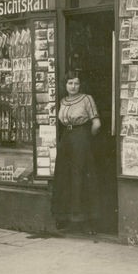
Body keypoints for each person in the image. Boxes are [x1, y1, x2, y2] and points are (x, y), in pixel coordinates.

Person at [51, 70, 101, 235]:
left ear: (81, 84)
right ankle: (67, 219)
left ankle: (87, 221)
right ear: (65, 85)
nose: (73, 86)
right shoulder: (63, 101)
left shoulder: (87, 99)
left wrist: (86, 138)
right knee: (65, 176)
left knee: (81, 176)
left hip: (81, 137)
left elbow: (97, 123)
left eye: (76, 83)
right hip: (66, 139)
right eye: (70, 83)